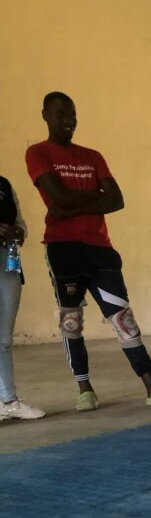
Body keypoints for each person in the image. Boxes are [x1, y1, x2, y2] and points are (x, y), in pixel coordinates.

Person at [25, 92, 151, 412]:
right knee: (72, 322)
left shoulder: (93, 155)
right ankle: (85, 390)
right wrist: (94, 197)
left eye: (73, 115)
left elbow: (116, 199)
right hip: (62, 249)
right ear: (45, 115)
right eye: (60, 114)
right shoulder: (37, 152)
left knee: (123, 318)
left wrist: (72, 203)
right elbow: (59, 199)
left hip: (99, 249)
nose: (68, 121)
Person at [0, 174, 45, 421]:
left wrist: (18, 232)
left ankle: (8, 400)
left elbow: (20, 222)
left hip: (7, 261)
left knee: (4, 338)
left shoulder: (4, 184)